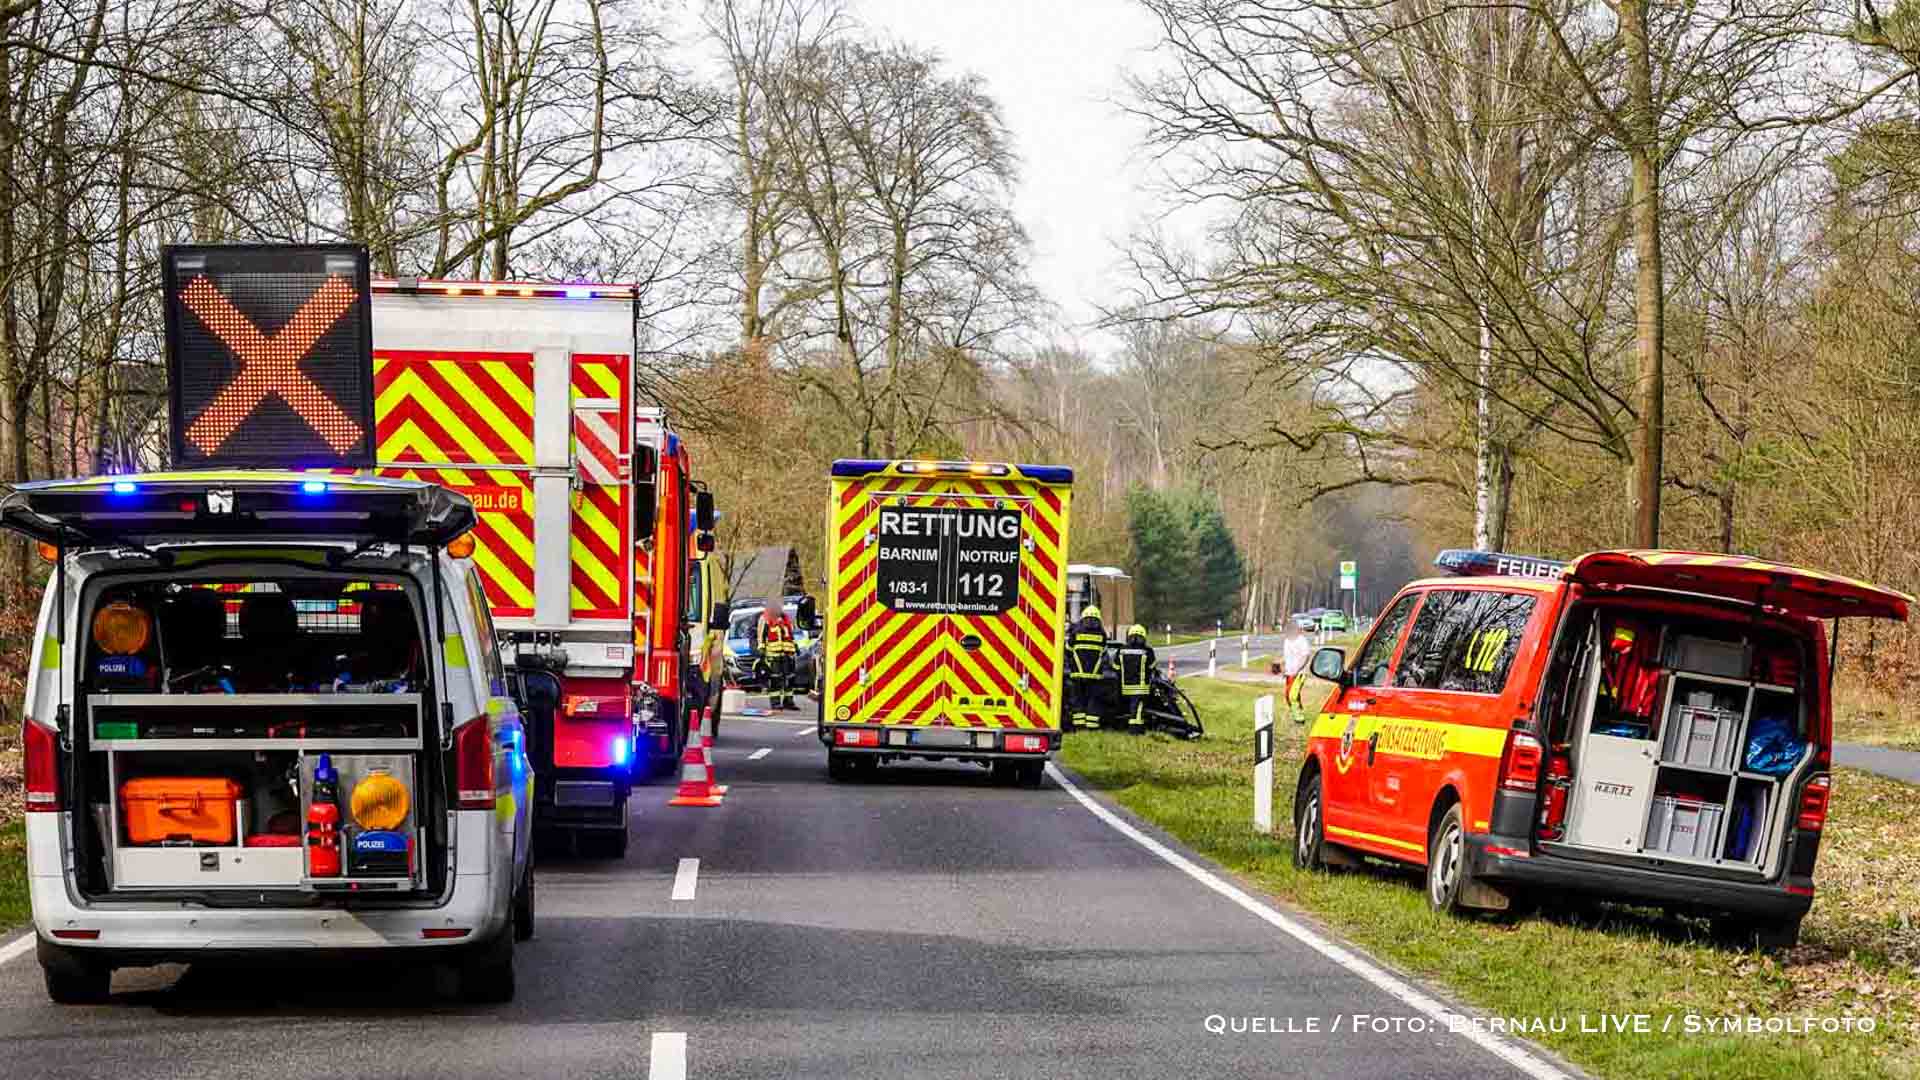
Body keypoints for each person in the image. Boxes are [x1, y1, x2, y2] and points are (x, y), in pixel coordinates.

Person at [1064, 604, 1109, 730]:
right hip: (1095, 676)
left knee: (1078, 700)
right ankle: (1092, 726)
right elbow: (1104, 653)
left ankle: (1079, 726)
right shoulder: (1102, 634)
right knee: (1093, 700)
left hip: (1077, 675)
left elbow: (1068, 650)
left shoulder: (1076, 632)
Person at [756, 602, 800, 711]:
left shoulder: (785, 619)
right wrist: (761, 649)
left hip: (788, 653)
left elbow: (790, 634)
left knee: (790, 679)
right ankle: (775, 703)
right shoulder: (765, 618)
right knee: (775, 679)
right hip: (773, 654)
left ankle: (788, 701)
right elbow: (761, 635)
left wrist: (795, 646)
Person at [1114, 623, 1156, 733]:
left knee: (1127, 707)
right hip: (1140, 688)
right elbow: (1152, 666)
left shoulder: (1121, 650)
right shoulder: (1148, 651)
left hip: (1125, 687)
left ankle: (1122, 726)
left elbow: (1115, 667)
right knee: (1138, 709)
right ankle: (1135, 730)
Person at [1281, 623, 1314, 724]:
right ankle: (1296, 712)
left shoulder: (1302, 641)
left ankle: (1299, 719)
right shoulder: (1287, 641)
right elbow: (1287, 656)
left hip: (1299, 673)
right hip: (1289, 673)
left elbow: (1306, 656)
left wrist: (1298, 669)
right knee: (1288, 695)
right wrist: (1282, 667)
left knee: (1293, 695)